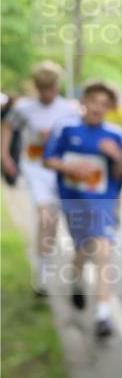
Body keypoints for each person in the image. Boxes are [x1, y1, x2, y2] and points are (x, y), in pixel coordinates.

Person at [41, 81, 122, 340]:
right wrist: (70, 169)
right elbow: (48, 159)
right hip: (73, 200)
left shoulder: (115, 134)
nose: (98, 108)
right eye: (94, 102)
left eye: (104, 104)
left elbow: (119, 175)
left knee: (103, 250)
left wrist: (118, 158)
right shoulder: (66, 128)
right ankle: (76, 280)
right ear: (84, 102)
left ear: (109, 107)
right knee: (83, 249)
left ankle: (102, 315)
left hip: (102, 201)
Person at [2, 61, 80, 295]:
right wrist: (5, 156)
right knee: (47, 218)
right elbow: (7, 128)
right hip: (36, 168)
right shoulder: (24, 108)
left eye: (51, 87)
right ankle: (43, 273)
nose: (47, 92)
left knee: (76, 223)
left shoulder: (69, 110)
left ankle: (76, 274)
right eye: (42, 87)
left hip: (62, 168)